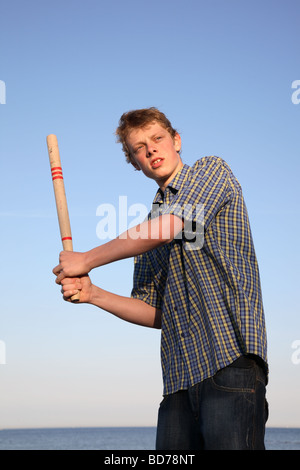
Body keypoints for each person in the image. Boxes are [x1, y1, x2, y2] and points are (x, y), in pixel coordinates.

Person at [53, 107, 268, 450]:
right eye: (139, 147)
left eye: (157, 139)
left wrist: (86, 259)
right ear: (135, 163)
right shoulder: (146, 232)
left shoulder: (211, 170)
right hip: (177, 384)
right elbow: (155, 313)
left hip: (230, 366)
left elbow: (172, 226)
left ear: (176, 141)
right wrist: (93, 293)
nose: (151, 149)